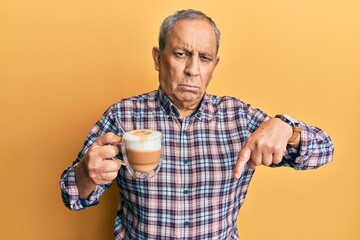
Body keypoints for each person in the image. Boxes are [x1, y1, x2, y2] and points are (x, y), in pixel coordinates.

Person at [60, 9, 334, 239]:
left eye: (204, 58)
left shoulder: (239, 118)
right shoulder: (123, 115)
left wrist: (287, 126)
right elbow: (71, 195)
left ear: (214, 65)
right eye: (181, 54)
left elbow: (326, 149)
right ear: (158, 58)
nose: (193, 69)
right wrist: (85, 173)